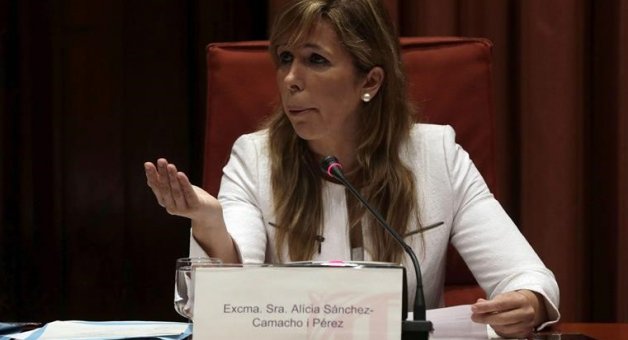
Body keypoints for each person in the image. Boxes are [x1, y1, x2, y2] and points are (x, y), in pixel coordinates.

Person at [144, 0, 560, 337]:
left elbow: (527, 275)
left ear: (371, 82)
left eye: (316, 60)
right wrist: (211, 225)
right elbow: (225, 309)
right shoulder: (255, 158)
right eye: (285, 58)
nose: (290, 78)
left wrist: (528, 302)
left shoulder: (438, 155)